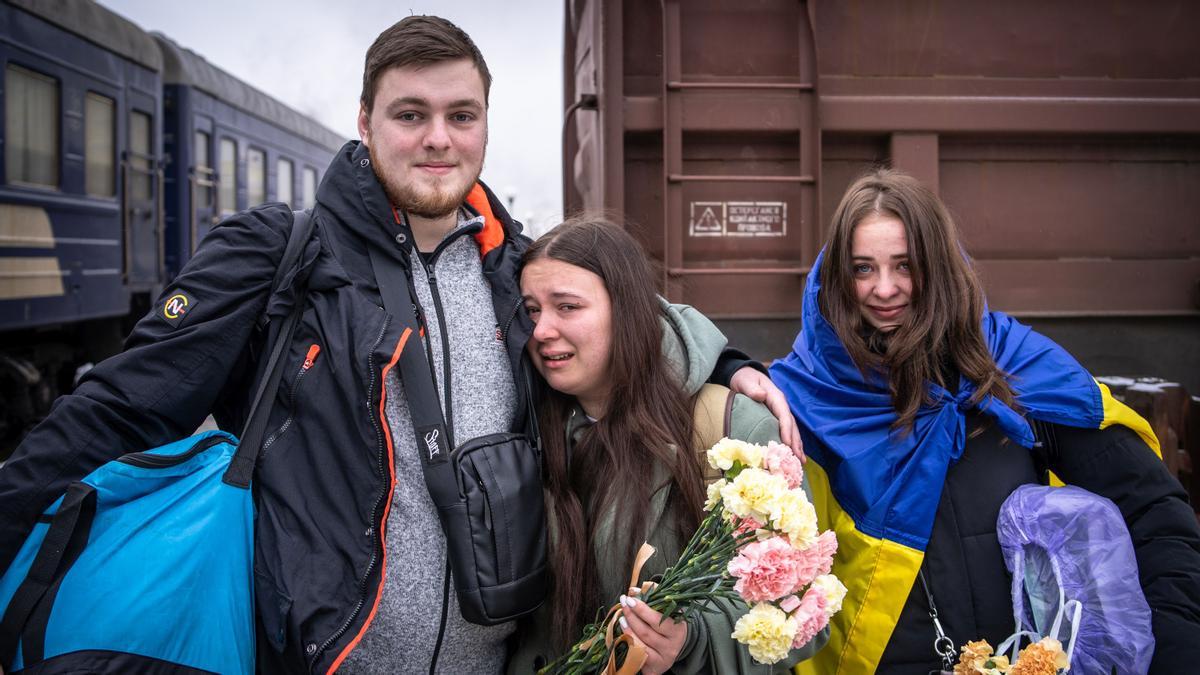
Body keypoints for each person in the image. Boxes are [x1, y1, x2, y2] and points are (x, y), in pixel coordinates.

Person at [0, 16, 801, 674]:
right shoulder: (281, 253)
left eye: (461, 115)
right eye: (409, 114)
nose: (438, 140)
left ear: (486, 122)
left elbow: (624, 316)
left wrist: (734, 365)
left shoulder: (511, 267)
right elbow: (116, 406)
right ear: (365, 122)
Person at [769, 168, 1200, 674]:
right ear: (838, 276)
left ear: (939, 265)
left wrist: (1176, 651)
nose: (884, 289)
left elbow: (1154, 515)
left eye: (905, 265)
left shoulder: (1013, 367)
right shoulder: (802, 395)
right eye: (863, 269)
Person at [506, 218, 824, 675]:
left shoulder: (736, 431)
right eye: (532, 310)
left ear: (629, 311)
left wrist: (692, 639)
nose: (541, 331)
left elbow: (803, 607)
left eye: (568, 307)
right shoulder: (527, 427)